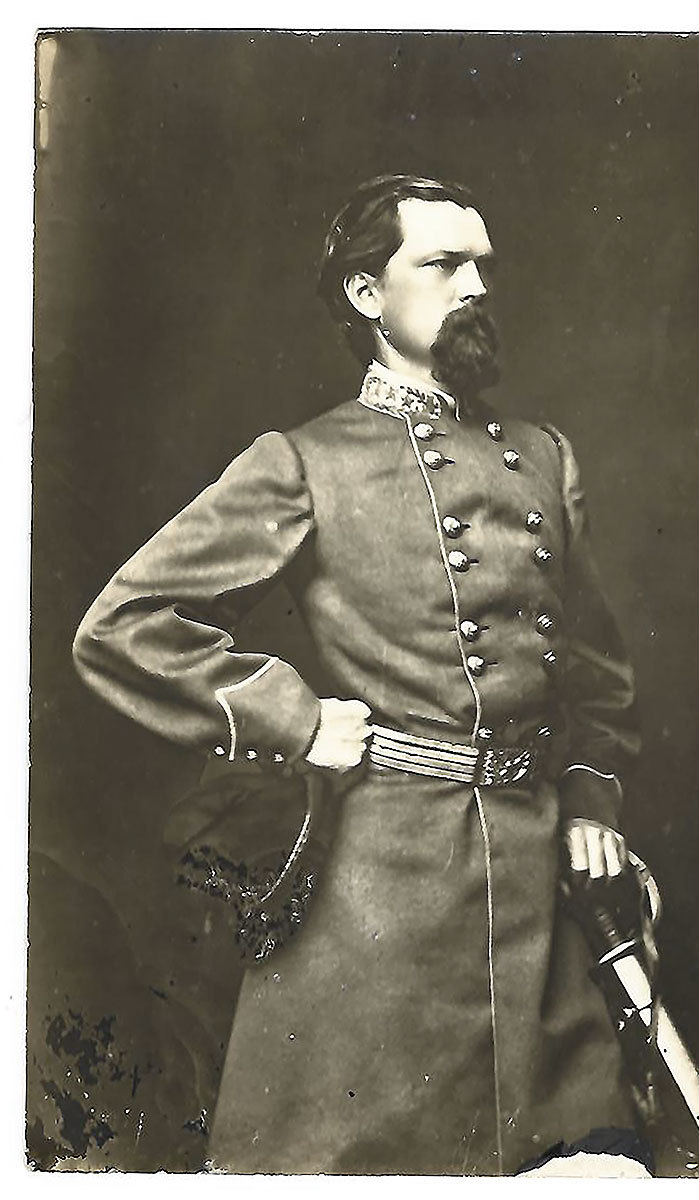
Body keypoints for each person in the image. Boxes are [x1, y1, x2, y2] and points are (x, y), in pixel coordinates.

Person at [72, 174, 648, 1176]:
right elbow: (125, 623)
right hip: (379, 906)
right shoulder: (306, 463)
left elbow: (595, 677)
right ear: (366, 295)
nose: (475, 285)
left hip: (537, 902)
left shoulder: (545, 460)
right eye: (442, 263)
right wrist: (290, 718)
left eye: (483, 265)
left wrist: (592, 799)